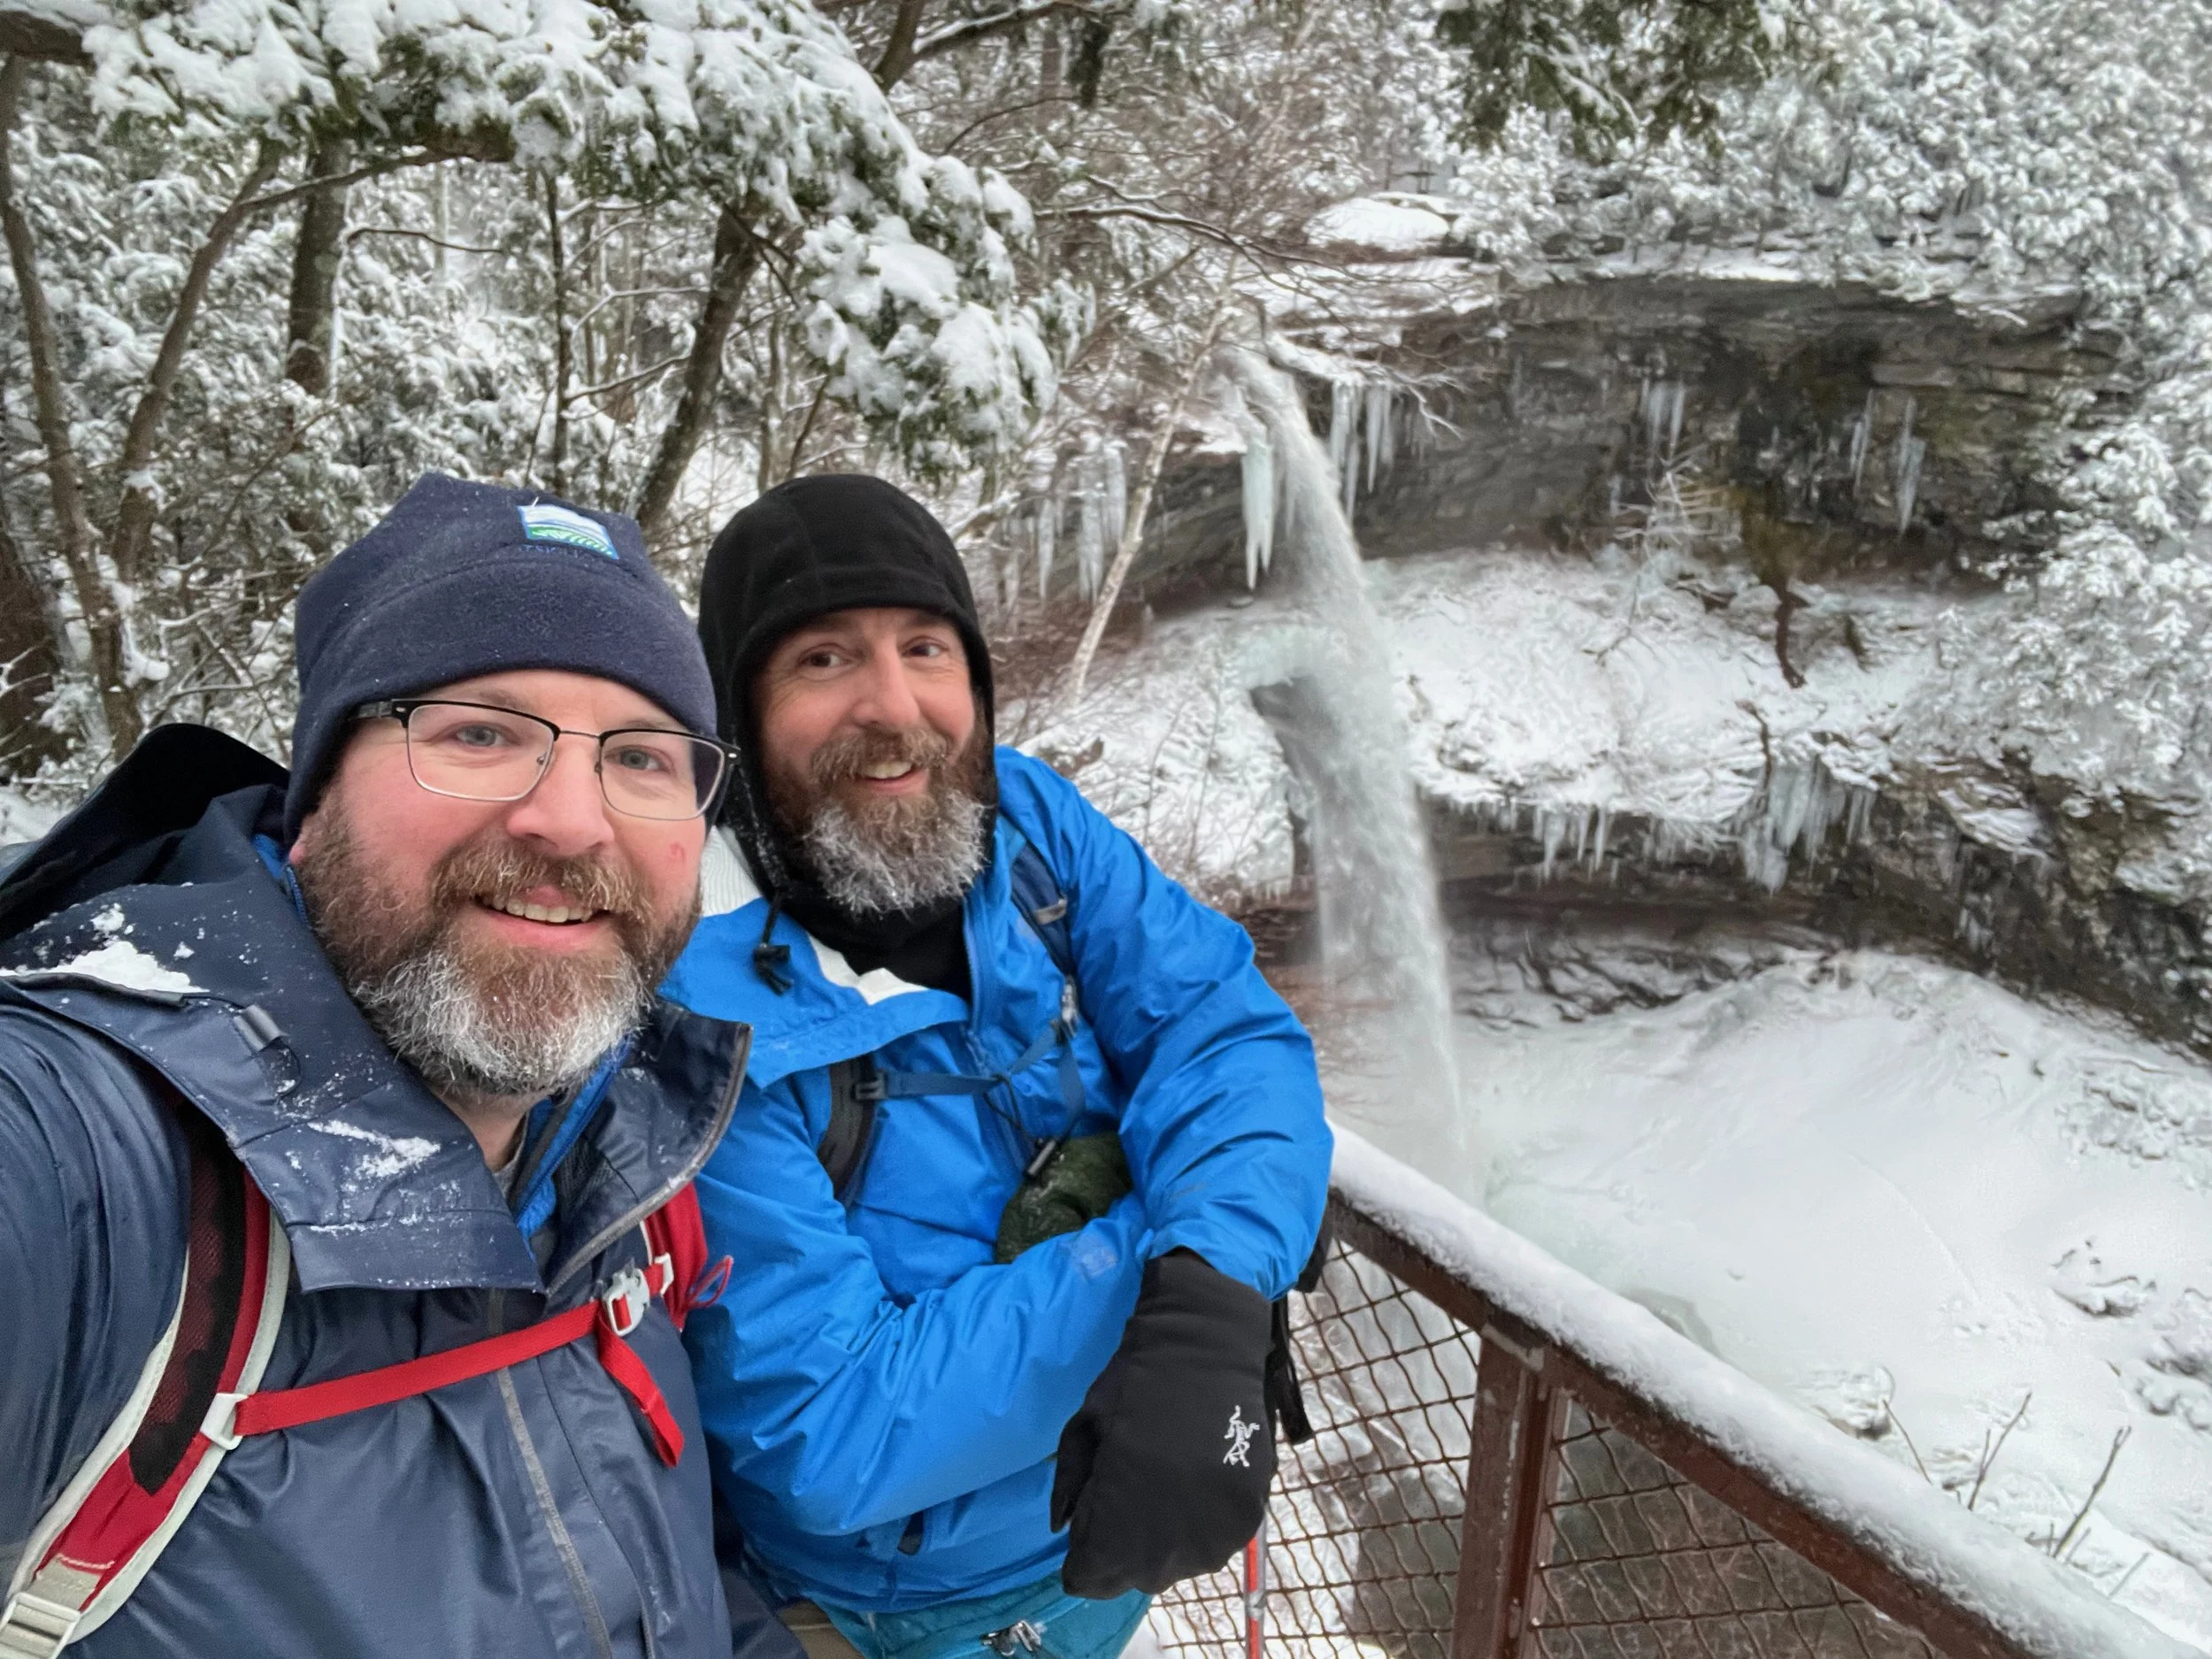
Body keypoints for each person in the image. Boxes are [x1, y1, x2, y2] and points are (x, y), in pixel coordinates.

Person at [0, 474, 796, 1659]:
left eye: (640, 757)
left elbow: (682, 1574)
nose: (571, 820)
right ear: (312, 802)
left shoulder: (623, 1157)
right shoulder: (90, 1165)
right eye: (480, 731)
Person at [664, 475, 1334, 1659]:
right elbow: (830, 1428)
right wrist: (1188, 1275)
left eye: (927, 646)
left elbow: (1221, 1028)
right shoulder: (698, 1014)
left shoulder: (1025, 831)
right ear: (739, 711)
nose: (895, 706)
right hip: (905, 1612)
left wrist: (1219, 1276)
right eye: (824, 659)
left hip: (1110, 1514)